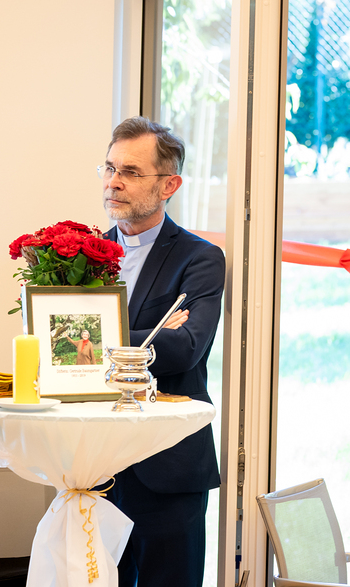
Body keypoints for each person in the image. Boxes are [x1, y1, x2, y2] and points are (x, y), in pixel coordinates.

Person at [99, 116, 224, 587]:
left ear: (169, 184)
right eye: (110, 168)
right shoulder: (81, 255)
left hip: (168, 468)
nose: (114, 182)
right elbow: (60, 347)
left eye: (131, 172)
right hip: (95, 465)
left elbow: (185, 349)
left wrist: (95, 337)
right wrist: (150, 335)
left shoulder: (200, 258)